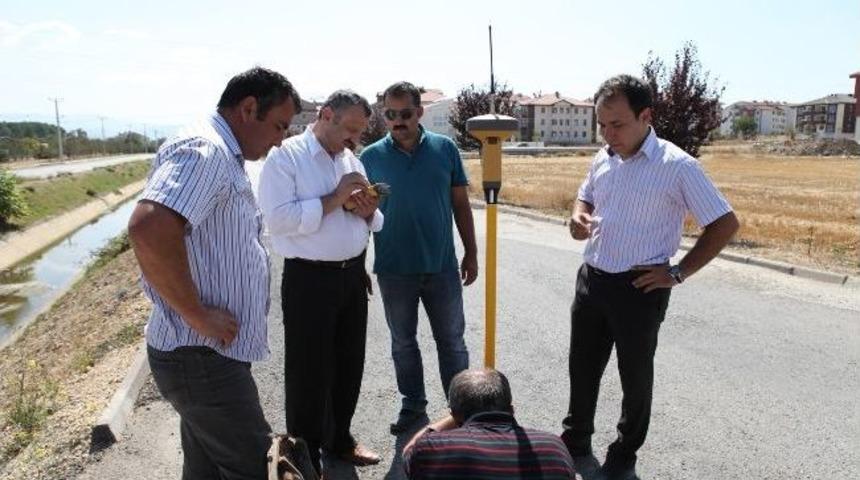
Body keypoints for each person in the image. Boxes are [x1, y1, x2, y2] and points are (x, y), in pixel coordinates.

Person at [561, 74, 740, 479]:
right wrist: (578, 215)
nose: (608, 134)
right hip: (592, 279)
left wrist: (677, 272)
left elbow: (725, 224)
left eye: (617, 124)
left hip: (639, 287)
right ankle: (575, 440)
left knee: (635, 378)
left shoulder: (677, 166)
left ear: (646, 116)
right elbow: (585, 193)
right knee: (582, 366)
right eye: (601, 125)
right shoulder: (604, 156)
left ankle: (624, 454)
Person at [128, 66, 300, 479]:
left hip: (203, 356)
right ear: (248, 107)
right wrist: (196, 314)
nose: (280, 139)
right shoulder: (206, 151)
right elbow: (149, 227)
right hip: (200, 358)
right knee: (258, 469)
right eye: (278, 126)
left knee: (206, 471)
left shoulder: (222, 151)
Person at [258, 89, 383, 475]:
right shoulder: (285, 157)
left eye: (361, 133)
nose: (355, 140)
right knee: (309, 370)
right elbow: (276, 220)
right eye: (350, 130)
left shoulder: (351, 160)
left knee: (349, 363)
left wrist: (369, 211)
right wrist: (334, 198)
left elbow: (375, 223)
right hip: (309, 279)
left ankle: (339, 439)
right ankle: (303, 453)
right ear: (326, 115)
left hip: (351, 276)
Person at [360, 81, 477, 434]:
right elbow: (361, 214)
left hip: (441, 267)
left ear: (419, 112)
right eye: (390, 114)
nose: (398, 121)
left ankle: (464, 409)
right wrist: (359, 262)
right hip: (394, 270)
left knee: (452, 342)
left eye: (405, 113)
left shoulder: (445, 149)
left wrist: (471, 252)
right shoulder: (369, 158)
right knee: (403, 342)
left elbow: (460, 203)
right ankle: (413, 405)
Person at [403, 368, 575, 479]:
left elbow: (408, 453)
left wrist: (451, 419)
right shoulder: (553, 448)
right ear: (512, 409)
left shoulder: (432, 448)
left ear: (455, 415)